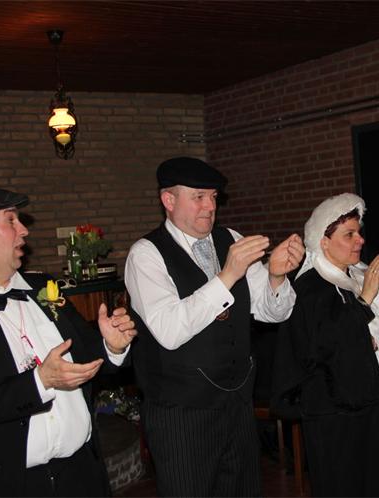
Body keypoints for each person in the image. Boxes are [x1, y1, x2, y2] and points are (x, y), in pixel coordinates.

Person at [0, 186, 137, 497]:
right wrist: (40, 382)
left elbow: (86, 358)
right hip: (6, 484)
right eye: (10, 220)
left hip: (80, 476)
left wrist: (112, 347)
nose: (24, 230)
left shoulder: (45, 288)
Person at [124, 156, 305, 497]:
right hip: (181, 413)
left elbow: (271, 313)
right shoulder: (146, 254)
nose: (210, 207)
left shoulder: (231, 239)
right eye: (198, 197)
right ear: (168, 200)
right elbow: (170, 330)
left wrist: (277, 277)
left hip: (237, 405)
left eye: (213, 197)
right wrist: (228, 275)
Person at [271, 193, 379, 497]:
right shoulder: (309, 289)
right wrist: (364, 301)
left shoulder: (366, 276)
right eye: (349, 234)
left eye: (359, 232)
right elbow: (322, 347)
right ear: (324, 241)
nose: (360, 240)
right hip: (339, 415)